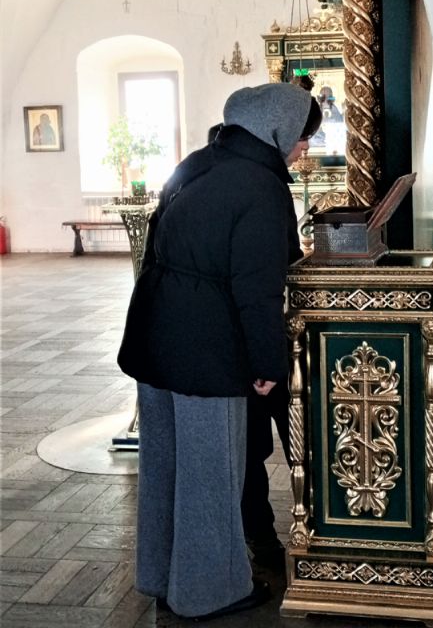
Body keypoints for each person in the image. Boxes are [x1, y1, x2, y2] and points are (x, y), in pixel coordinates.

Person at [117, 83, 322, 621]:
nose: (305, 147)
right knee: (211, 471)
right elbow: (257, 288)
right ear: (275, 129)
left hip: (154, 334)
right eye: (302, 135)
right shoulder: (261, 186)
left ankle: (162, 576)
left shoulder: (198, 162)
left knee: (165, 465)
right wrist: (266, 363)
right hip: (206, 346)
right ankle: (210, 592)